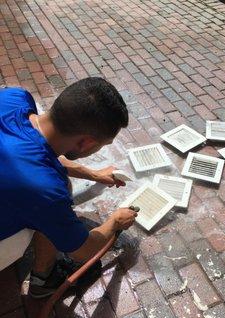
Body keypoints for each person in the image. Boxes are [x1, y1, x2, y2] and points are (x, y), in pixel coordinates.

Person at [0, 77, 138, 298]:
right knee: (56, 193)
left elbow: (35, 153)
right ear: (86, 142)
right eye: (103, 145)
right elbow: (83, 251)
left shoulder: (14, 97)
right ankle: (44, 279)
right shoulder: (45, 190)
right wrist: (114, 222)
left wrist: (93, 174)